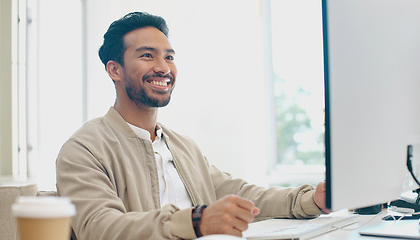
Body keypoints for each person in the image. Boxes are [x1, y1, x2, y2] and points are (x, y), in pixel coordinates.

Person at [56, 11, 329, 240]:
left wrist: (311, 200)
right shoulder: (84, 150)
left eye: (169, 57)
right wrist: (195, 221)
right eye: (148, 56)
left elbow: (242, 195)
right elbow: (100, 227)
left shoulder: (182, 147)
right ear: (115, 70)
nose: (163, 67)